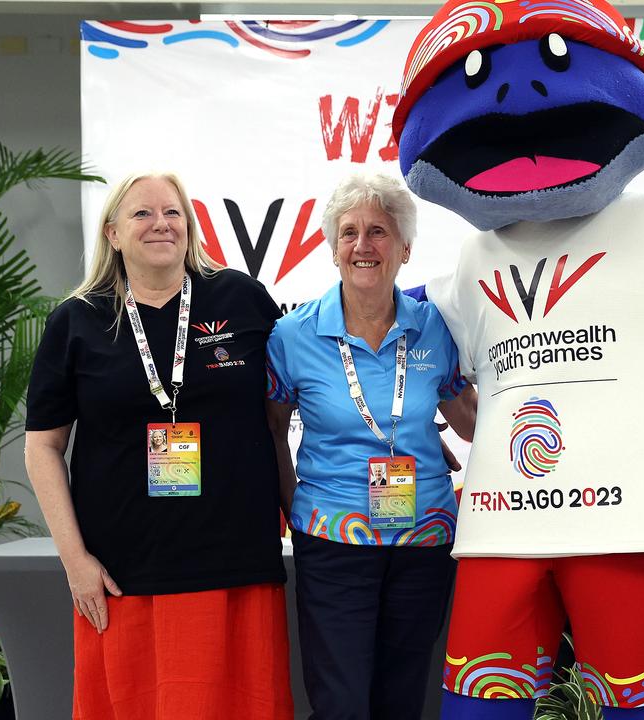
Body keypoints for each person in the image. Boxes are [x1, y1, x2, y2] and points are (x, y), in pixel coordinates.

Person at [24, 172, 293, 719]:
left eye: (172, 212)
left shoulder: (242, 299)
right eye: (142, 214)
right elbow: (42, 448)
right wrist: (75, 561)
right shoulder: (76, 321)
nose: (160, 224)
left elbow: (280, 415)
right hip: (124, 575)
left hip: (235, 563)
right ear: (113, 234)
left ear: (189, 226)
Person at [265, 172, 476, 719]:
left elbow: (470, 419)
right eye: (349, 232)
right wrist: (292, 505)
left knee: (402, 697)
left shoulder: (437, 328)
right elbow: (270, 430)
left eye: (379, 231)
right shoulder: (293, 336)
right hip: (332, 539)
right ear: (333, 248)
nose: (363, 246)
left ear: (405, 249)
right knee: (340, 702)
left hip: (425, 539)